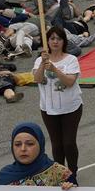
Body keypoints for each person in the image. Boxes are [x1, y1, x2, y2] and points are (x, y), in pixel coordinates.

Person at [33, 26, 83, 178]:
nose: (55, 42)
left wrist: (54, 69)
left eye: (59, 39)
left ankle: (73, 173)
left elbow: (69, 82)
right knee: (57, 144)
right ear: (47, 41)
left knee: (68, 143)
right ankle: (60, 175)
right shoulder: (39, 61)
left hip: (71, 108)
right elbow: (38, 79)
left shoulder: (71, 60)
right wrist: (43, 63)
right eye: (52, 38)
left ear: (63, 41)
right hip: (48, 109)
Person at [0, 122, 76, 188]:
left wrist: (70, 189)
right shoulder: (6, 175)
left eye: (30, 144)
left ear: (40, 145)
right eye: (17, 144)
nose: (23, 149)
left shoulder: (60, 173)